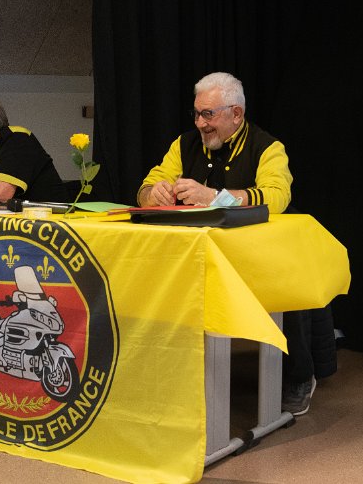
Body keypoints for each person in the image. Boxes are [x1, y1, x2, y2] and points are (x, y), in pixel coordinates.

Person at [136, 71, 333, 416]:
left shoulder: (268, 148)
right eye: (197, 113)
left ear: (236, 114)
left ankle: (299, 375)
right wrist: (155, 194)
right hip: (203, 250)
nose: (200, 123)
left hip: (262, 253)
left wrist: (215, 198)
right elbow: (145, 187)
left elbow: (276, 196)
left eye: (208, 114)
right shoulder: (182, 145)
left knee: (291, 283)